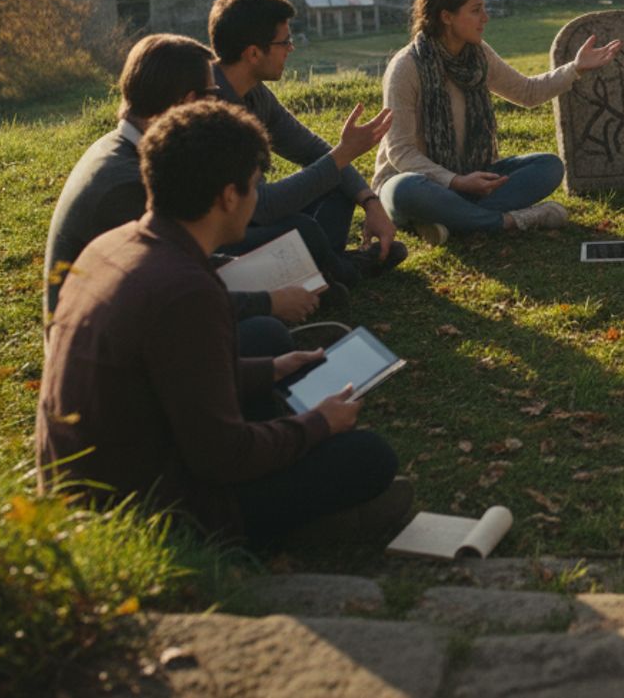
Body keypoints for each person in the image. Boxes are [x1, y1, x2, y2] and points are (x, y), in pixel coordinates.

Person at [37, 99, 408, 548]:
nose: (256, 198)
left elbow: (171, 375)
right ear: (229, 197)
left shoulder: (112, 245)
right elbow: (222, 457)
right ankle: (289, 536)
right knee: (369, 458)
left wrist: (269, 369)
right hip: (148, 513)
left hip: (86, 482)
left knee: (270, 358)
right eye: (254, 186)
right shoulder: (187, 289)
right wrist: (319, 426)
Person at [42, 34, 387, 341]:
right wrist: (269, 301)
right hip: (112, 341)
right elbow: (174, 290)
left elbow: (185, 262)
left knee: (299, 237)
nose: (218, 102)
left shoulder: (138, 148)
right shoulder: (124, 186)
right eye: (212, 94)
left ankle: (327, 279)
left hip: (146, 305)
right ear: (188, 101)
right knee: (266, 333)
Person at [373, 0, 620, 243]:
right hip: (419, 181)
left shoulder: (478, 56)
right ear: (447, 17)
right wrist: (454, 181)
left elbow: (527, 92)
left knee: (549, 167)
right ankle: (511, 220)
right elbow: (401, 151)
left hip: (471, 178)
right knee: (405, 190)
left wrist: (575, 68)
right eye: (476, 10)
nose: (485, 18)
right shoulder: (406, 67)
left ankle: (448, 220)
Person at [208, 0, 406, 289]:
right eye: (284, 42)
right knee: (302, 228)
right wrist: (343, 154)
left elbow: (311, 149)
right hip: (222, 242)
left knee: (339, 186)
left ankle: (321, 271)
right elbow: (261, 207)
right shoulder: (212, 111)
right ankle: (339, 270)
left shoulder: (255, 93)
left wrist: (370, 201)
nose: (291, 48)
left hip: (257, 225)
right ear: (253, 53)